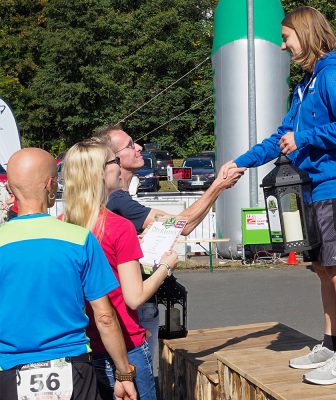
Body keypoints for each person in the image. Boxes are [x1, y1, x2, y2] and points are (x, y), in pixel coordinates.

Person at [222, 6, 336, 385]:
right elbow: (279, 138)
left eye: (286, 38)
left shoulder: (334, 75)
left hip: (335, 187)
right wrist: (240, 162)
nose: (283, 46)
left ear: (306, 34)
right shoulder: (305, 85)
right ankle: (332, 344)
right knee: (322, 269)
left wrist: (305, 138)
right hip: (311, 189)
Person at [94, 125, 245, 374]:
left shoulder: (114, 199)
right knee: (140, 373)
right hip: (135, 306)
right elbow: (181, 226)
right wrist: (217, 185)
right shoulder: (118, 200)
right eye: (131, 145)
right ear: (114, 160)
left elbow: (180, 225)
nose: (139, 147)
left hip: (121, 305)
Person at [0, 148, 136, 400]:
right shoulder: (79, 238)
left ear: (10, 188)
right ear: (51, 184)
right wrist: (123, 373)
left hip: (9, 369)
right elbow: (105, 316)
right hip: (74, 367)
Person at [62, 137, 178, 399]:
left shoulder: (62, 227)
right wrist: (165, 267)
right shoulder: (118, 227)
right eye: (114, 161)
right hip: (125, 347)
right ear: (101, 172)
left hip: (80, 348)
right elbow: (134, 297)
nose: (119, 167)